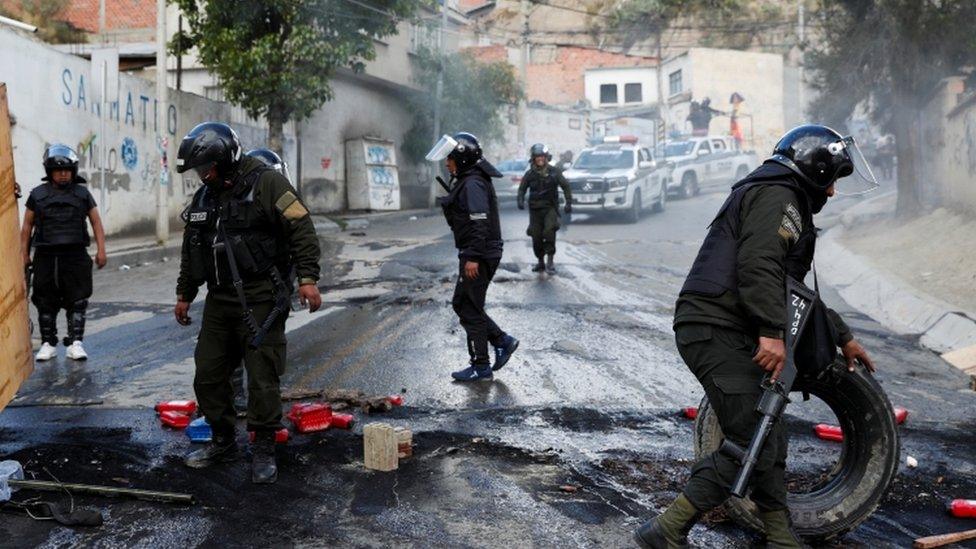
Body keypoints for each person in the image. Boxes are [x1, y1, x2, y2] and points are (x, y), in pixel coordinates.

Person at [635, 125, 878, 548]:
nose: (834, 193)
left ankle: (781, 537)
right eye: (833, 180)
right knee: (751, 438)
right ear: (816, 171)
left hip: (725, 325)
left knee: (768, 433)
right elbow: (759, 266)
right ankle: (667, 528)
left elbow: (791, 288)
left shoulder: (780, 193)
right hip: (716, 328)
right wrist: (771, 331)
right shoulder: (778, 196)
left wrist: (842, 335)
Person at [174, 122, 322, 484]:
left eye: (205, 167)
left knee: (262, 376)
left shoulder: (267, 182)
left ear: (223, 159)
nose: (201, 175)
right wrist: (185, 292)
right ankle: (222, 440)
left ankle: (264, 448)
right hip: (219, 299)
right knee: (208, 373)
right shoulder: (206, 195)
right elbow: (193, 246)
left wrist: (307, 279)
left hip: (261, 298)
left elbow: (301, 226)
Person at [425, 132, 519, 382]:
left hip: (480, 253)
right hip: (477, 251)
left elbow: (479, 222)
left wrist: (473, 257)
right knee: (463, 304)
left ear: (462, 159)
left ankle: (481, 365)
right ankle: (501, 341)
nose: (447, 164)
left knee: (469, 307)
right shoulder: (469, 180)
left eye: (451, 159)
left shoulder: (473, 183)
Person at [21, 144, 107, 362]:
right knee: (44, 301)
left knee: (77, 301)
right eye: (58, 171)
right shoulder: (38, 195)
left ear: (73, 171)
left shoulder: (82, 193)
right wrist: (24, 255)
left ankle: (76, 343)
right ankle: (48, 343)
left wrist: (101, 250)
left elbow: (96, 222)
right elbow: (26, 226)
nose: (62, 174)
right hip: (46, 257)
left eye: (67, 170)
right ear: (49, 172)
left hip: (75, 255)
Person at [517, 143, 572, 274]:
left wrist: (568, 202)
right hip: (535, 210)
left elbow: (565, 186)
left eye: (542, 156)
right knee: (536, 236)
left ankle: (550, 262)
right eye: (537, 157)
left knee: (549, 232)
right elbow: (522, 189)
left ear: (546, 157)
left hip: (550, 208)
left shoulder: (555, 172)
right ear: (533, 158)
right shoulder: (529, 174)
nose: (540, 159)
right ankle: (540, 262)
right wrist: (520, 200)